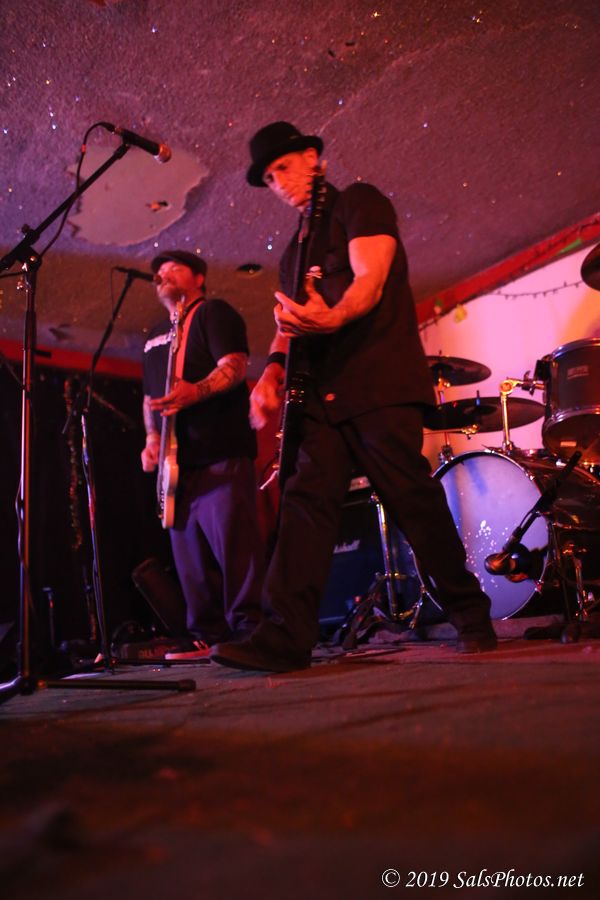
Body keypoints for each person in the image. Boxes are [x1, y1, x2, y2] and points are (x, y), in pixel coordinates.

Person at [211, 122, 498, 674]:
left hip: (376, 382)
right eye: (268, 178)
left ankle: (470, 614)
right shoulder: (294, 252)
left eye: (283, 167)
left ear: (312, 157)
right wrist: (271, 373)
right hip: (322, 398)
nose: (278, 183)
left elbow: (370, 278)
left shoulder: (359, 203)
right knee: (303, 505)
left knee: (411, 497)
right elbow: (288, 324)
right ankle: (284, 637)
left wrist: (334, 316)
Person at [141, 249, 264, 659]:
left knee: (235, 549)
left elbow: (235, 365)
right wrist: (151, 439)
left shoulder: (213, 313)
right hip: (177, 468)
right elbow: (149, 397)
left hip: (220, 454)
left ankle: (250, 632)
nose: (163, 275)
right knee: (189, 561)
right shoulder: (154, 336)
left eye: (174, 269)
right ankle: (206, 637)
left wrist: (195, 391)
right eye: (159, 272)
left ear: (199, 278)